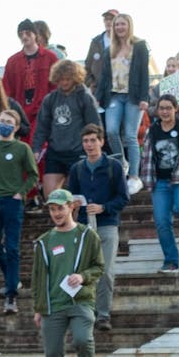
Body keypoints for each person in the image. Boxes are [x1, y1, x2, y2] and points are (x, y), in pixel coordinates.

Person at [31, 188, 104, 357]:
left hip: (80, 301)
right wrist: (38, 307)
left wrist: (83, 277)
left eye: (60, 208)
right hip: (53, 305)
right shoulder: (44, 242)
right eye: (52, 209)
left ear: (71, 207)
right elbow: (38, 277)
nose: (56, 213)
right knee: (52, 352)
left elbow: (99, 266)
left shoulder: (87, 235)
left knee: (82, 340)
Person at [66, 123, 129, 331]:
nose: (89, 145)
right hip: (83, 226)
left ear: (102, 142)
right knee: (82, 270)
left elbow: (123, 197)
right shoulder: (77, 169)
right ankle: (85, 310)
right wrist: (73, 206)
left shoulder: (114, 167)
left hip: (107, 224)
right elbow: (71, 195)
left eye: (93, 140)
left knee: (106, 271)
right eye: (85, 141)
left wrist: (104, 207)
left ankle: (103, 314)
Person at [0, 109, 40, 314]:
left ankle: (11, 295)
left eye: (8, 122)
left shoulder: (23, 148)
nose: (4, 124)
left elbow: (33, 174)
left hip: (13, 202)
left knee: (12, 248)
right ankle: (12, 279)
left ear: (15, 126)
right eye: (2, 121)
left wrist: (20, 193)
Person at [139, 94, 179, 273]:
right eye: (162, 108)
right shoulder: (152, 131)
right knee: (161, 221)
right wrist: (147, 181)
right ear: (157, 110)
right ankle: (171, 260)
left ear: (176, 108)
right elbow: (145, 157)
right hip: (160, 181)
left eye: (169, 108)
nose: (165, 111)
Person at [95, 13, 150, 196]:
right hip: (114, 96)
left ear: (129, 26)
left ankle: (134, 176)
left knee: (130, 135)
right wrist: (98, 96)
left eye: (122, 24)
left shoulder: (140, 46)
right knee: (110, 130)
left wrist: (145, 97)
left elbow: (144, 73)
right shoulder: (109, 49)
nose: (119, 27)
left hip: (133, 96)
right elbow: (104, 77)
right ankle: (122, 161)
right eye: (116, 24)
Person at [32, 59, 101, 198]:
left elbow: (94, 125)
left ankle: (76, 220)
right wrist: (36, 149)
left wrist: (94, 148)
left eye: (68, 79)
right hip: (56, 152)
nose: (64, 82)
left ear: (75, 78)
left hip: (78, 152)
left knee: (78, 199)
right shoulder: (50, 99)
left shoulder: (85, 97)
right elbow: (42, 127)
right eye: (61, 79)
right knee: (51, 197)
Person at [2, 19, 57, 136]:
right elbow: (7, 89)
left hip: (44, 110)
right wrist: (11, 111)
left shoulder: (50, 57)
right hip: (21, 111)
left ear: (35, 34)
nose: (24, 37)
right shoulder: (12, 61)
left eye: (28, 33)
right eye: (21, 34)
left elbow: (56, 85)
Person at [84, 8, 118, 93]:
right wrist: (91, 83)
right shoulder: (95, 41)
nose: (108, 22)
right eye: (106, 19)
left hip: (118, 90)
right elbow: (87, 66)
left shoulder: (123, 41)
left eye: (111, 19)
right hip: (98, 89)